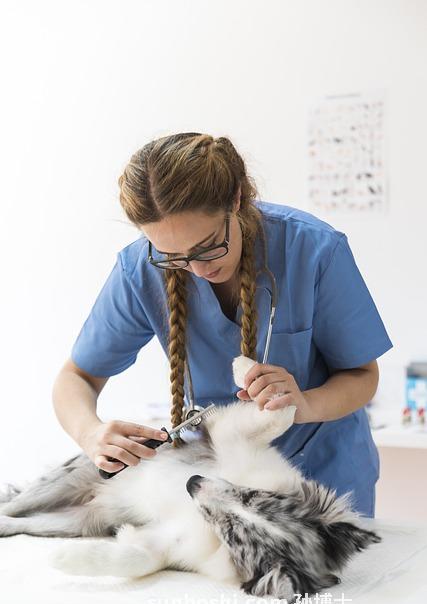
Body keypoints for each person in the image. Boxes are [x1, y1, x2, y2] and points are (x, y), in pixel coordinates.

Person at [52, 132, 393, 518]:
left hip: (325, 477)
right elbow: (76, 377)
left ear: (236, 199)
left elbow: (362, 375)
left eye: (209, 246)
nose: (198, 270)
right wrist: (90, 433)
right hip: (218, 484)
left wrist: (304, 404)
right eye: (173, 256)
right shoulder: (140, 270)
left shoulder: (314, 250)